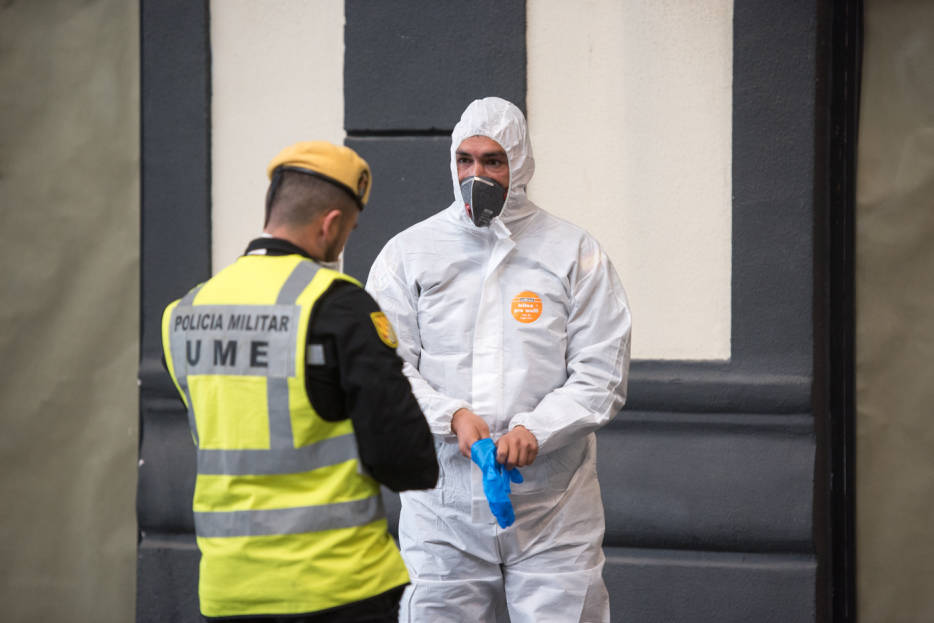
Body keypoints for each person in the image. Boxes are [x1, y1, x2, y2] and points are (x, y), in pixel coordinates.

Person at [366, 97, 632, 622]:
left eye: (493, 161)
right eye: (465, 160)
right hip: (444, 507)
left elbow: (602, 374)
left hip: (552, 509)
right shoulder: (409, 254)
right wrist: (451, 417)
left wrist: (537, 429)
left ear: (521, 163)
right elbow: (385, 368)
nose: (477, 176)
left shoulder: (573, 253)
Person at [161, 141, 438, 622]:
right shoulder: (338, 305)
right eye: (349, 230)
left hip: (229, 590)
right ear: (330, 224)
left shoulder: (184, 313)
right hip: (338, 587)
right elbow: (406, 462)